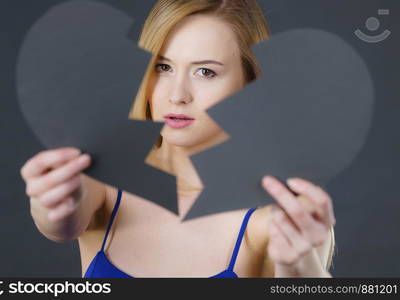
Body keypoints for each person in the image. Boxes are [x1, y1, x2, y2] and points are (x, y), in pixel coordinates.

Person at [20, 0, 335, 278]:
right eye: (163, 67)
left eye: (205, 72)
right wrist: (52, 203)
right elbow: (62, 223)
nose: (177, 95)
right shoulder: (103, 183)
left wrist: (299, 269)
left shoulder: (278, 212)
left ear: (248, 84)